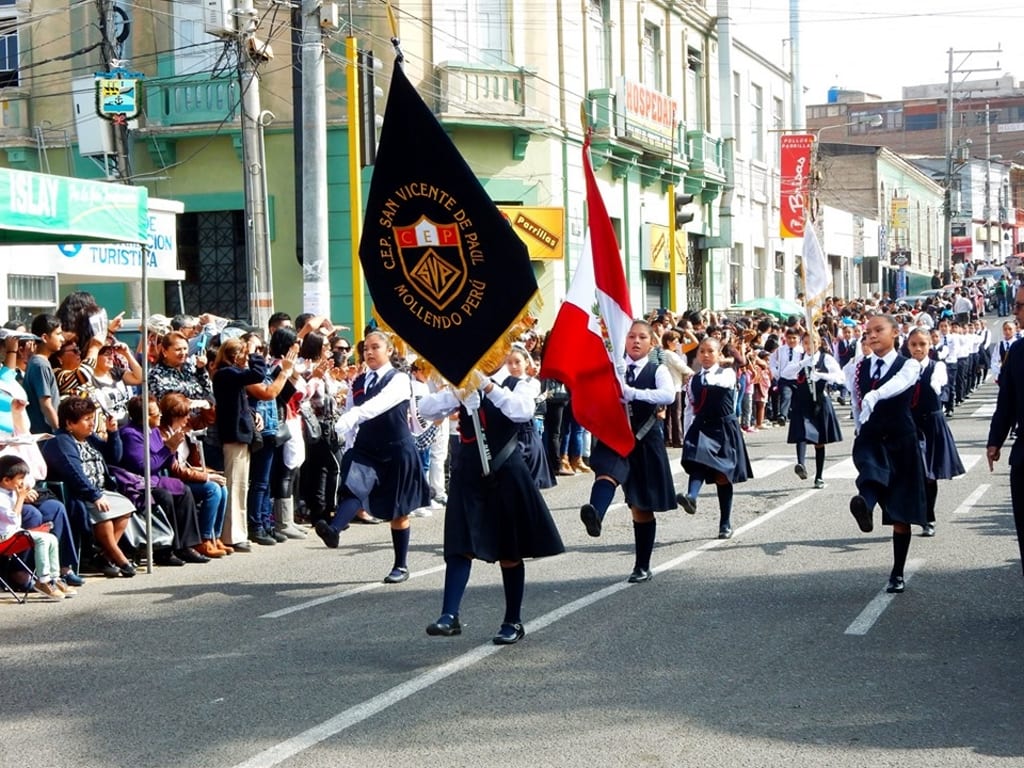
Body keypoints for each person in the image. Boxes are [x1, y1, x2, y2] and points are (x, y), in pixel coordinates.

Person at [418, 364, 565, 644]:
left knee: (509, 549)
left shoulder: (521, 382)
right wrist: (458, 395)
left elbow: (520, 411)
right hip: (468, 472)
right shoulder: (461, 382)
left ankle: (512, 620)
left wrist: (488, 387)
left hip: (506, 471)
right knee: (459, 544)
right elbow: (425, 409)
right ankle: (449, 614)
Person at [313, 331, 430, 583]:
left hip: (397, 449)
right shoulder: (358, 381)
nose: (369, 352)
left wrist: (354, 416)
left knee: (399, 511)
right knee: (354, 487)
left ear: (389, 351)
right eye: (365, 348)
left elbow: (380, 404)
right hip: (367, 447)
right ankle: (333, 530)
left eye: (375, 347)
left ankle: (400, 565)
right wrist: (349, 439)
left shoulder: (399, 379)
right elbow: (350, 413)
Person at [578, 320, 677, 581]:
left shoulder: (657, 370)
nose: (635, 341)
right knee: (607, 474)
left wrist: (633, 393)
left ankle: (642, 566)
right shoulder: (615, 368)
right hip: (616, 436)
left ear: (651, 343)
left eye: (642, 337)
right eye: (631, 336)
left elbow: (668, 396)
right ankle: (595, 516)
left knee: (641, 506)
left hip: (644, 440)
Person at [846, 314, 926, 594]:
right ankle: (864, 508)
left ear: (895, 334)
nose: (872, 335)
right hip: (871, 436)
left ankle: (897, 572)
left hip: (901, 439)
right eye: (868, 332)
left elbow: (898, 385)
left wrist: (876, 395)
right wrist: (858, 423)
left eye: (879, 330)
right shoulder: (860, 367)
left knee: (900, 512)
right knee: (870, 473)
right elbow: (855, 398)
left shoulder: (909, 365)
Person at [212, 337, 297, 552]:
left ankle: (239, 532)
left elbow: (238, 403)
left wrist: (251, 414)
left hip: (241, 434)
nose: (249, 357)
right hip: (233, 436)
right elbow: (258, 376)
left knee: (241, 485)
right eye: (245, 353)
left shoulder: (231, 376)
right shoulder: (225, 373)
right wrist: (254, 354)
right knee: (236, 485)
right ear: (235, 355)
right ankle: (234, 534)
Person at [41, 397, 138, 577]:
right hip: (80, 495)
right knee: (104, 516)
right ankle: (119, 557)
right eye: (87, 419)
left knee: (125, 508)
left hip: (100, 490)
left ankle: (104, 556)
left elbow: (113, 457)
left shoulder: (89, 438)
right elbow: (74, 473)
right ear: (70, 423)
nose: (92, 423)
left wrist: (113, 433)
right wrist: (94, 495)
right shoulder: (61, 441)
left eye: (92, 418)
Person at [676, 337, 753, 540]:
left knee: (722, 475)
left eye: (711, 351)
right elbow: (689, 409)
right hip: (702, 426)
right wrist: (686, 434)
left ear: (719, 354)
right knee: (698, 460)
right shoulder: (694, 380)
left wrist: (725, 363)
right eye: (702, 351)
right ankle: (691, 496)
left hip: (724, 428)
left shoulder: (726, 373)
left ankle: (725, 522)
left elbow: (719, 384)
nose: (706, 355)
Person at [906, 328, 964, 537]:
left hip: (932, 424)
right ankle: (917, 513)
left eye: (922, 344)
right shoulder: (905, 368)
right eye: (913, 344)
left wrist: (936, 384)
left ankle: (928, 518)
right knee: (915, 473)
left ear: (929, 345)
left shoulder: (936, 366)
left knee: (930, 476)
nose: (918, 348)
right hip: (911, 424)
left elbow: (940, 382)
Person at [158, 392, 229, 558]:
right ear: (175, 416)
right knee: (212, 489)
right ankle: (203, 539)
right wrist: (207, 477)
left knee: (222, 488)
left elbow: (208, 419)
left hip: (190, 473)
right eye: (184, 414)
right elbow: (175, 469)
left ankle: (215, 536)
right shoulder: (163, 434)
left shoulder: (186, 429)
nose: (188, 417)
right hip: (175, 479)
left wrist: (202, 404)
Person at [986, 285, 1024, 577]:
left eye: (1021, 305)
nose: (1016, 311)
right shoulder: (1018, 351)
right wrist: (995, 441)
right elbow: (1007, 402)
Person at [0, 455, 73, 599]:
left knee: (51, 538)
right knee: (42, 540)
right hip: (4, 537)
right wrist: (21, 497)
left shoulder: (10, 491)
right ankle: (43, 580)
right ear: (6, 480)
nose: (22, 483)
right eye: (20, 479)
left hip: (14, 532)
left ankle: (54, 577)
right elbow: (13, 518)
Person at [783, 333, 844, 489]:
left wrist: (821, 375)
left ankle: (819, 476)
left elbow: (840, 377)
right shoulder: (800, 358)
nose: (808, 346)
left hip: (819, 402)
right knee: (801, 432)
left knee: (819, 441)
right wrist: (803, 363)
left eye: (811, 343)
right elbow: (786, 373)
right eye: (805, 343)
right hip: (802, 401)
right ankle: (801, 464)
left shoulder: (826, 358)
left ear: (817, 343)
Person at [502, 347, 556, 489]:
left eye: (517, 362)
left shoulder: (531, 383)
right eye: (509, 362)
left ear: (526, 362)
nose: (513, 366)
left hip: (527, 435)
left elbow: (520, 401)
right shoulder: (503, 383)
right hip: (508, 436)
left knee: (531, 487)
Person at [24, 314, 64, 433]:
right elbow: (46, 405)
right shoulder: (40, 365)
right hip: (46, 434)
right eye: (58, 334)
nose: (62, 338)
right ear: (45, 338)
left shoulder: (37, 361)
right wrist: (60, 432)